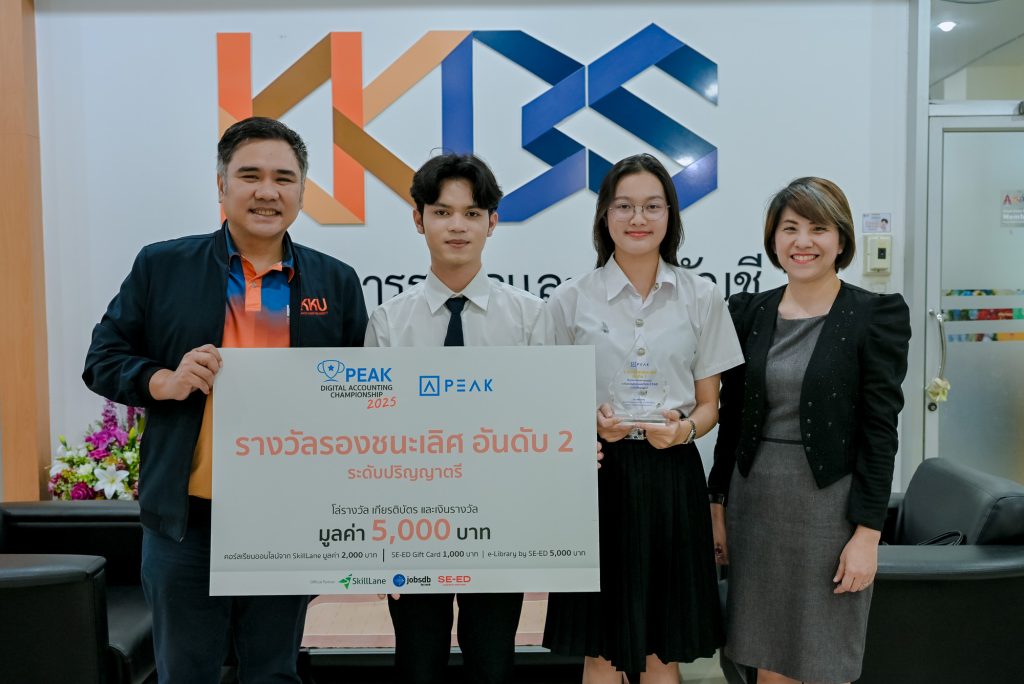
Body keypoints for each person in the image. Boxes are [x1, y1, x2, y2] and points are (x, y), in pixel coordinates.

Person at [83, 117, 368, 683]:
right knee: (185, 673)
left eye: (284, 178)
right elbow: (102, 358)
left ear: (302, 191)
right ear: (221, 185)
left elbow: (363, 394)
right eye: (250, 175)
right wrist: (162, 380)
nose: (268, 191)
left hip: (287, 516)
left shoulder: (335, 282)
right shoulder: (163, 266)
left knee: (273, 672)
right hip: (187, 521)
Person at [542, 153, 743, 682]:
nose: (638, 218)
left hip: (671, 474)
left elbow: (710, 406)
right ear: (605, 216)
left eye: (653, 206)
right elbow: (548, 402)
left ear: (670, 216)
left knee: (662, 649)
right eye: (624, 206)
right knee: (600, 648)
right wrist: (587, 424)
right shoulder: (569, 301)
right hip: (597, 475)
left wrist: (684, 430)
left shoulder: (701, 297)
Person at [708, 177, 911, 684]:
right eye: (790, 228)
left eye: (818, 228)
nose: (803, 241)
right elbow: (731, 421)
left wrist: (867, 535)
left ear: (841, 240)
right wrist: (717, 506)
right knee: (767, 657)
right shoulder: (747, 312)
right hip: (755, 504)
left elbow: (880, 431)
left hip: (828, 509)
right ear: (773, 240)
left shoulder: (875, 315)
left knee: (822, 658)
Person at [364, 152, 544, 683]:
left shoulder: (529, 317)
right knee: (417, 664)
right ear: (418, 220)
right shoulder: (389, 322)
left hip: (501, 520)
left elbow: (544, 419)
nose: (457, 226)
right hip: (412, 520)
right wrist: (380, 537)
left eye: (472, 213)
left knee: (493, 663)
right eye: (442, 212)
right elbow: (370, 432)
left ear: (493, 221)